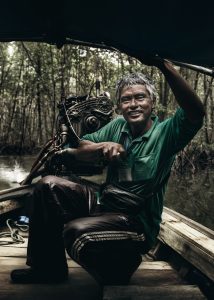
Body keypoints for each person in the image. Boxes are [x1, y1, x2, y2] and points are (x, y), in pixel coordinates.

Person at [10, 59, 205, 285]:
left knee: (77, 232)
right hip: (105, 203)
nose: (133, 104)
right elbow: (72, 149)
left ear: (152, 102)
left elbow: (196, 113)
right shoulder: (117, 126)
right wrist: (101, 147)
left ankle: (120, 269)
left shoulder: (167, 133)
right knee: (47, 186)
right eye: (126, 99)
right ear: (119, 106)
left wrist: (165, 67)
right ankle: (48, 269)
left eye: (140, 97)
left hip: (136, 222)